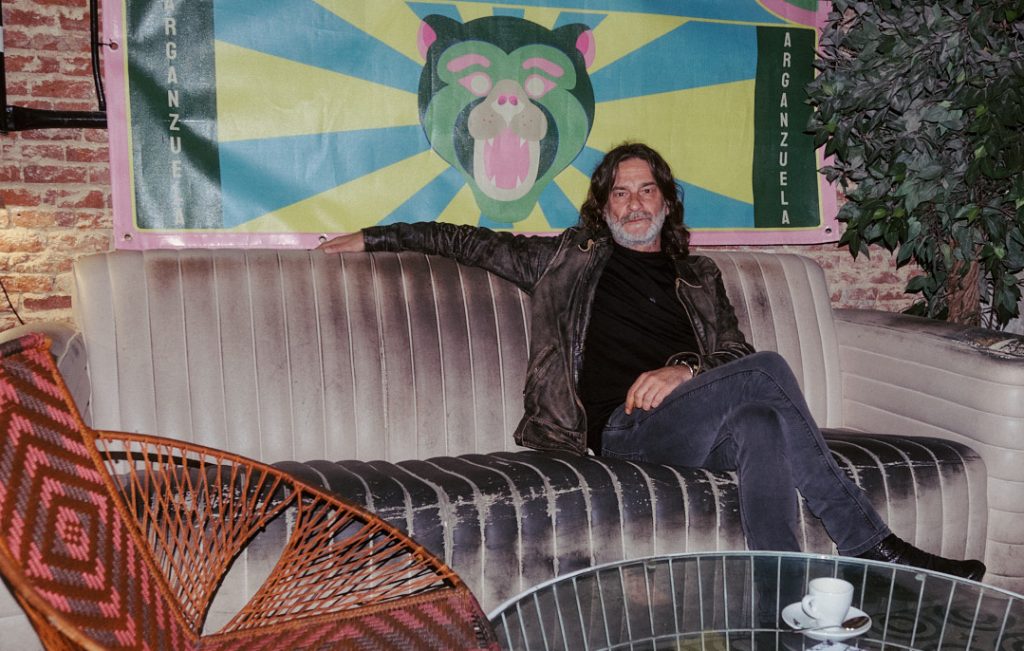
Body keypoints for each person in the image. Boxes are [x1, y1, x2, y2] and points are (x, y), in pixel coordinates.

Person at [318, 142, 985, 581]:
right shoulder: (565, 259)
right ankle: (867, 543)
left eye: (645, 191)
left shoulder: (697, 276)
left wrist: (685, 370)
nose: (634, 203)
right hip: (621, 429)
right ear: (603, 206)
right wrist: (373, 238)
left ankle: (777, 612)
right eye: (620, 193)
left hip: (689, 425)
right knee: (770, 372)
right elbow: (464, 240)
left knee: (760, 420)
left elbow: (731, 354)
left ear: (666, 201)